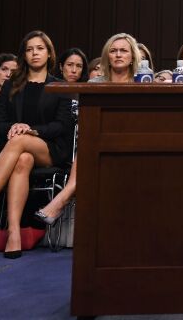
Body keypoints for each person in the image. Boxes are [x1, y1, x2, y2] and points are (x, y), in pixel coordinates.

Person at [0, 30, 74, 259]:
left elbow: (62, 126)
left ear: (49, 54)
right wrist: (12, 127)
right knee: (23, 159)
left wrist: (31, 130)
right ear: (24, 55)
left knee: (21, 143)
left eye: (39, 48)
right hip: (16, 150)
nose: (34, 53)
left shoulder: (60, 87)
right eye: (29, 49)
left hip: (50, 148)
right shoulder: (12, 85)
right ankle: (14, 234)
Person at [35, 34, 139, 227]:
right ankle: (63, 199)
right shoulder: (94, 85)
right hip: (98, 141)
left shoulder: (142, 82)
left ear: (133, 56)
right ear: (107, 56)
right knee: (87, 145)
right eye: (113, 51)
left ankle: (61, 200)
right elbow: (86, 121)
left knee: (88, 147)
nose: (118, 55)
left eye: (123, 51)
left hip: (131, 142)